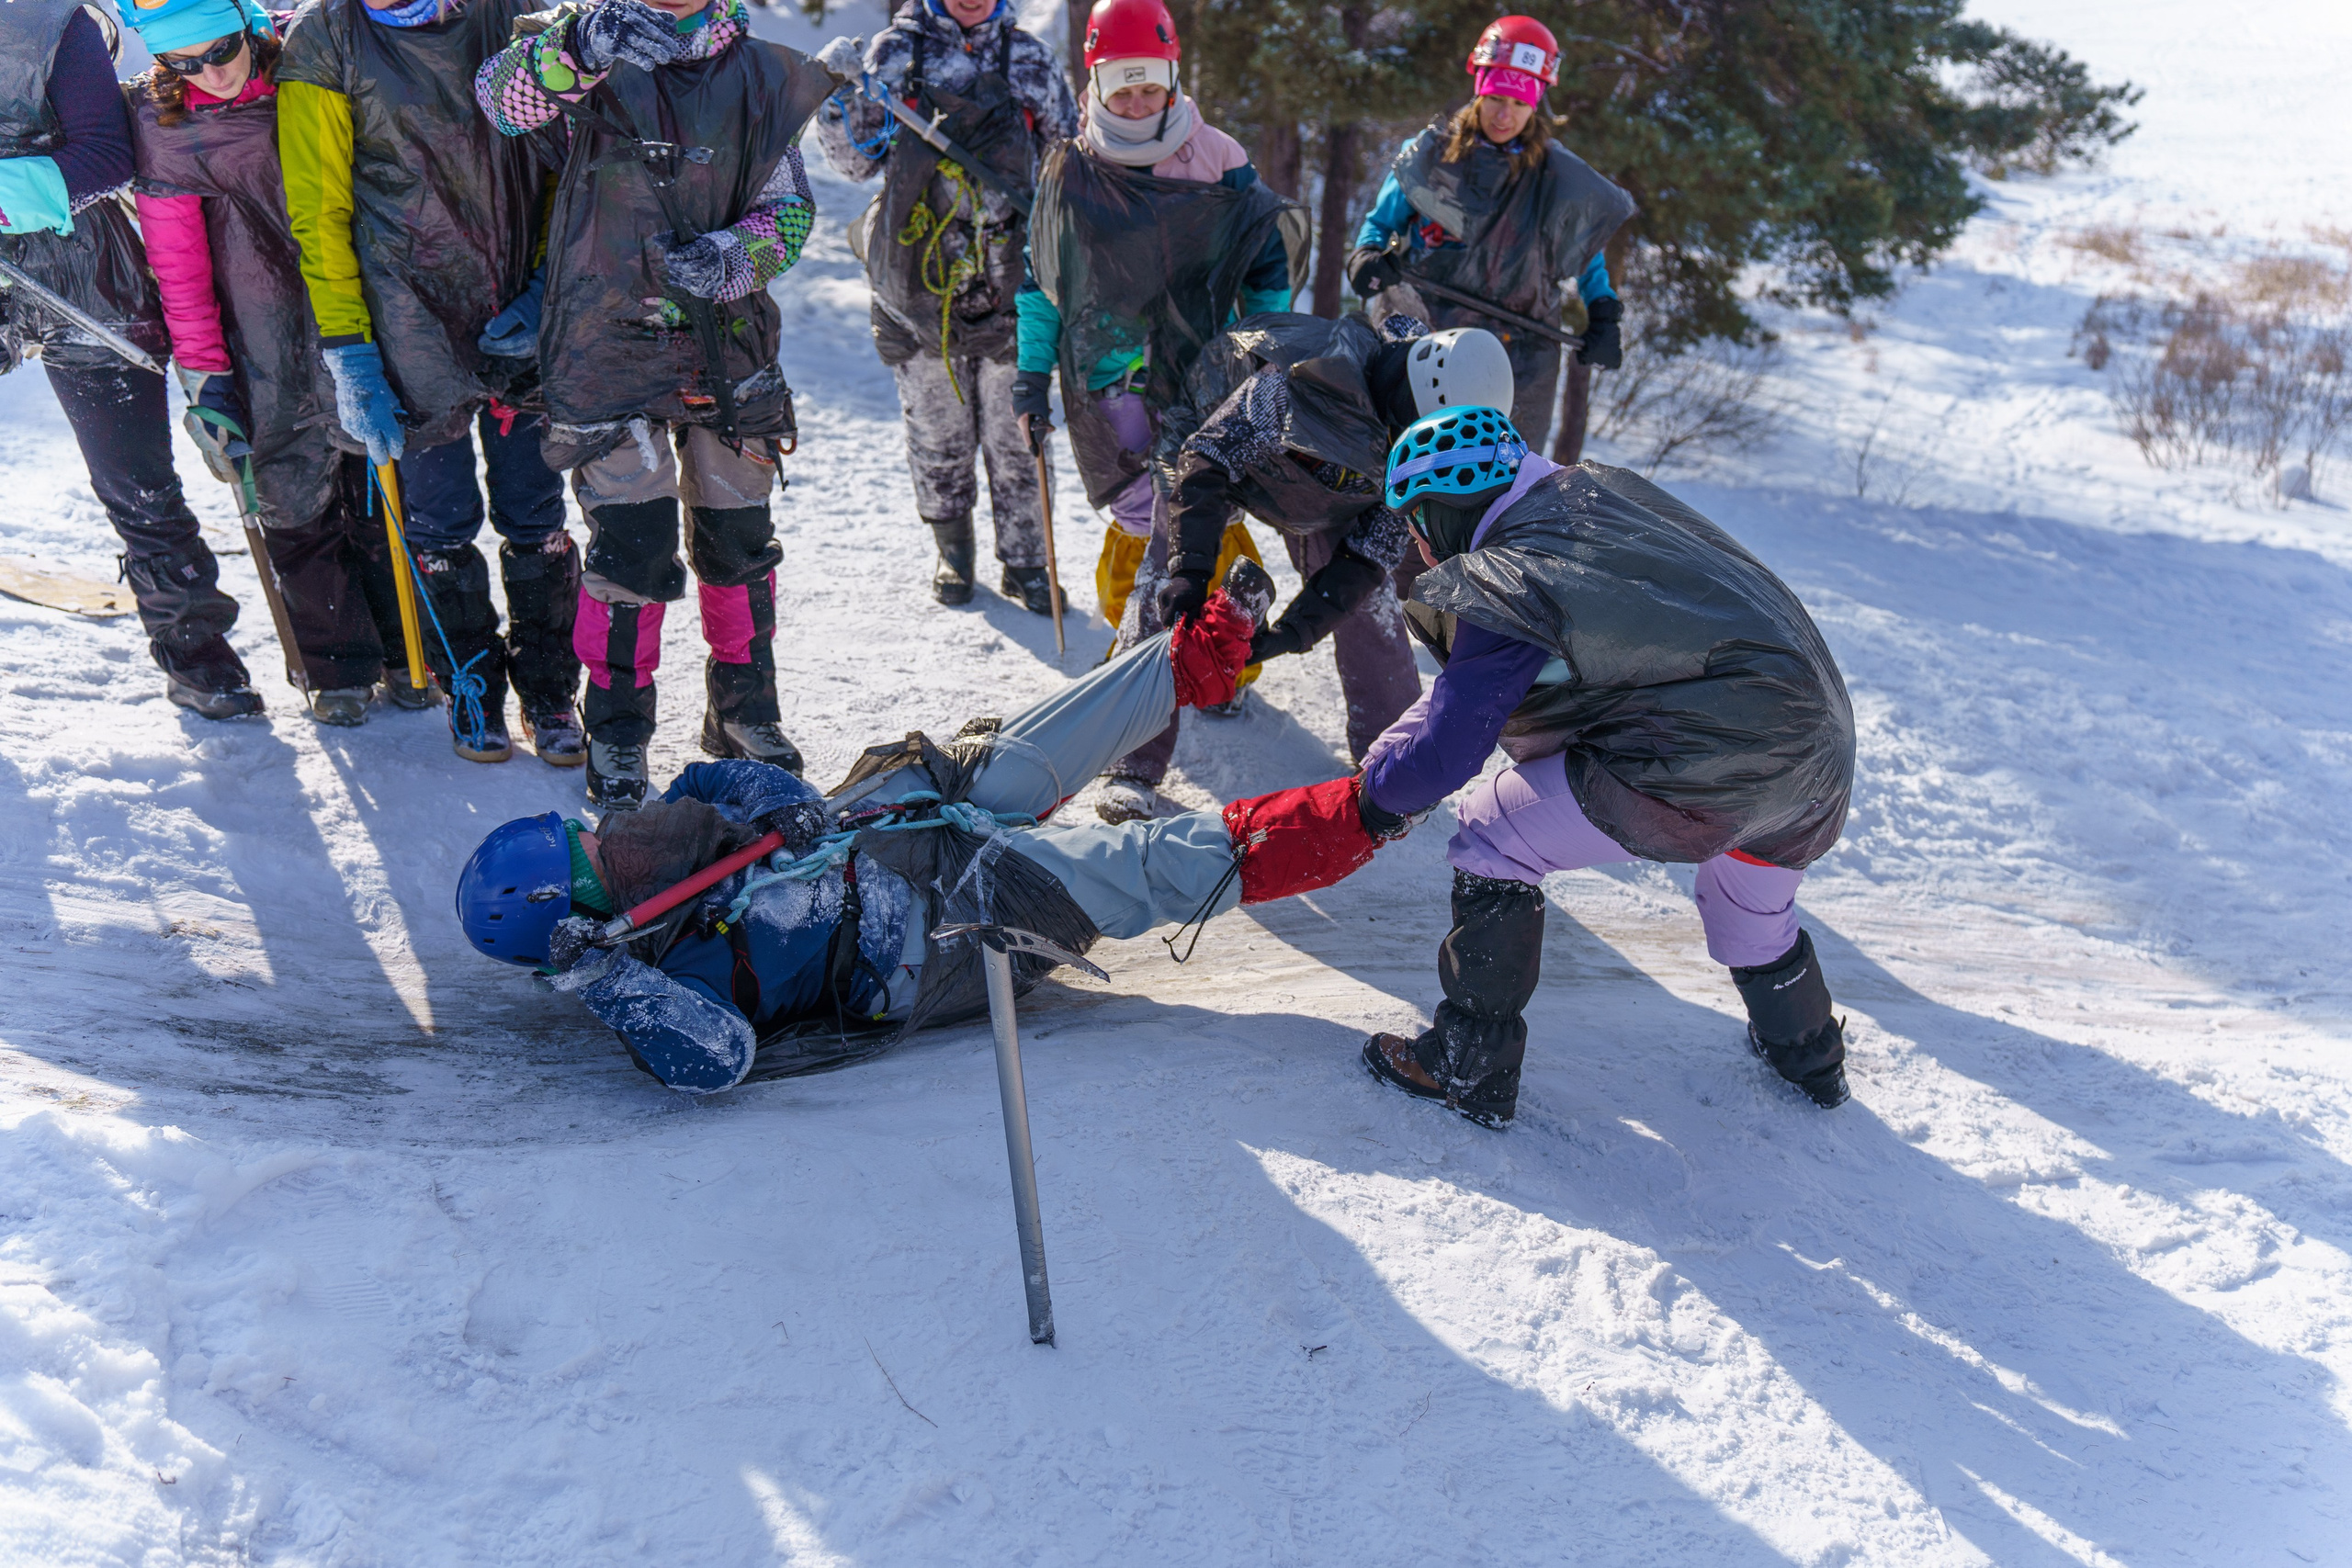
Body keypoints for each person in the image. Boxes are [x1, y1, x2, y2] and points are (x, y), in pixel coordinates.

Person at [456, 558, 1398, 1092]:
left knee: (1024, 750)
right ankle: (1355, 815)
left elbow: (712, 774)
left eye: (583, 832)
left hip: (895, 827)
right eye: (586, 858)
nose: (602, 838)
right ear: (574, 914)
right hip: (933, 937)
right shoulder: (660, 982)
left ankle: (1200, 654)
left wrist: (774, 799)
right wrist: (612, 981)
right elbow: (715, 1062)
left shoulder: (651, 841)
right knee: (1135, 862)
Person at [1351, 405, 1858, 1126]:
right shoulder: (1597, 497)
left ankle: (1468, 1064)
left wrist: (1377, 799)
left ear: (1444, 511)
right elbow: (1489, 692)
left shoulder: (1507, 571)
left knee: (1494, 831)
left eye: (1418, 524)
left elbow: (1454, 745)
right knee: (1748, 905)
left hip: (1712, 758)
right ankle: (1812, 1064)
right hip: (1817, 750)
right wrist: (1387, 760)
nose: (1420, 548)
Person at [476, 0, 829, 810]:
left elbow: (791, 208)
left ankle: (746, 713)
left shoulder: (762, 74)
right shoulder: (574, 41)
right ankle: (620, 727)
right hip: (603, 341)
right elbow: (500, 101)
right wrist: (579, 47)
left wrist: (737, 256)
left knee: (740, 534)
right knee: (629, 542)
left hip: (723, 341)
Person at [1010, 0, 1303, 823]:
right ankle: (1219, 640)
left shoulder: (1219, 159)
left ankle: (1139, 733)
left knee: (1172, 537)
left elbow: (1265, 258)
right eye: (1121, 87)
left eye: (1151, 86)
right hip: (1110, 383)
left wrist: (1265, 347)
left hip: (1204, 379)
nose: (1137, 104)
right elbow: (1042, 285)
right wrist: (1031, 378)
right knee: (1145, 523)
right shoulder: (1069, 169)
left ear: (1174, 79)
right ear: (1095, 81)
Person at [277, 0, 582, 763]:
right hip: (405, 317)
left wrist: (548, 281)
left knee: (535, 510)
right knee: (440, 519)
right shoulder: (327, 40)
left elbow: (565, 164)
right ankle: (469, 680)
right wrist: (350, 350)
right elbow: (319, 211)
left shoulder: (508, 12)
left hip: (520, 306)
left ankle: (550, 689)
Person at [125, 0, 421, 727]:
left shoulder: (310, 70)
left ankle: (411, 650)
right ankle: (334, 663)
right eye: (182, 63)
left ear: (249, 25)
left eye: (221, 49)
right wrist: (205, 372)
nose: (210, 74)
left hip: (355, 301)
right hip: (255, 325)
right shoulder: (164, 126)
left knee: (378, 474)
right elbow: (179, 267)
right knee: (291, 488)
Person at [0, 0, 262, 719]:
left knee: (137, 483)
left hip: (83, 272)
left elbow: (104, 151)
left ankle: (197, 652)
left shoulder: (51, 23)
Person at [1155, 310, 1514, 768]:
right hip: (1213, 456)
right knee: (1166, 578)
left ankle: (1394, 761)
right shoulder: (1302, 378)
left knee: (1372, 607)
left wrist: (1291, 633)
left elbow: (1366, 558)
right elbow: (1206, 459)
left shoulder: (1416, 452)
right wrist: (1189, 571)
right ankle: (1133, 749)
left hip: (1326, 494)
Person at [811, 1, 1079, 611]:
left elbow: (1065, 165)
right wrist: (832, 104)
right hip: (917, 288)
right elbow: (856, 162)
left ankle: (1029, 562)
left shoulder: (1030, 61)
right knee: (937, 432)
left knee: (1022, 434)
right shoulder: (893, 56)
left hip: (1017, 287)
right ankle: (953, 553)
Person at [1347, 16, 1634, 453]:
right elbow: (1380, 223)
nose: (1505, 115)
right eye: (1497, 98)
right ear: (1479, 89)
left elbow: (1586, 252)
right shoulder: (1430, 157)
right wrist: (1367, 255)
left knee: (1498, 475)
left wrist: (1603, 311)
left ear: (1536, 103)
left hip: (1520, 352)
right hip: (1425, 329)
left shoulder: (1558, 177)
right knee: (1397, 455)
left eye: (1519, 104)